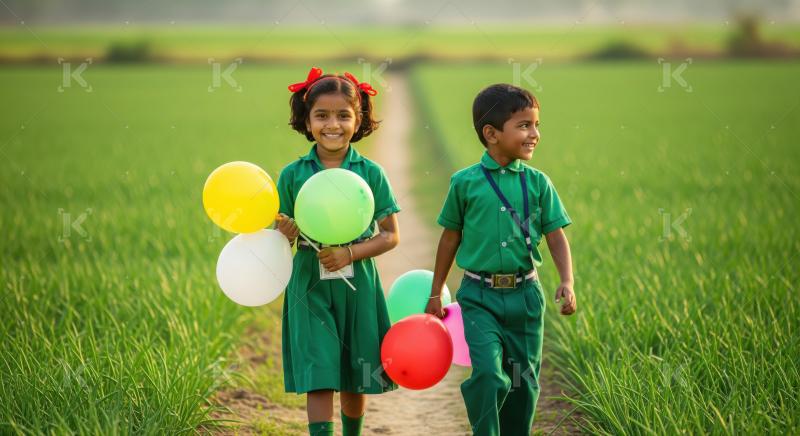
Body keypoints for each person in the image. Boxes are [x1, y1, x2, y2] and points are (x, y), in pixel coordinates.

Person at [425, 83, 577, 435]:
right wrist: (436, 291)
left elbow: (556, 235)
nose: (534, 134)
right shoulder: (464, 183)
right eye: (524, 125)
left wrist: (567, 281)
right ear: (491, 134)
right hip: (479, 297)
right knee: (489, 376)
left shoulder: (539, 183)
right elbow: (450, 238)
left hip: (526, 298)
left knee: (524, 385)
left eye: (536, 125)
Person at [275, 67, 401, 436]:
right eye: (322, 115)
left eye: (343, 115)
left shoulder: (371, 173)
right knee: (319, 371)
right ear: (307, 120)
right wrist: (284, 233)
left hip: (357, 282)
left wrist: (350, 253)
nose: (333, 124)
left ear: (358, 119)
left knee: (354, 370)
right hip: (309, 283)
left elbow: (390, 236)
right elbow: (277, 239)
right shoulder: (292, 175)